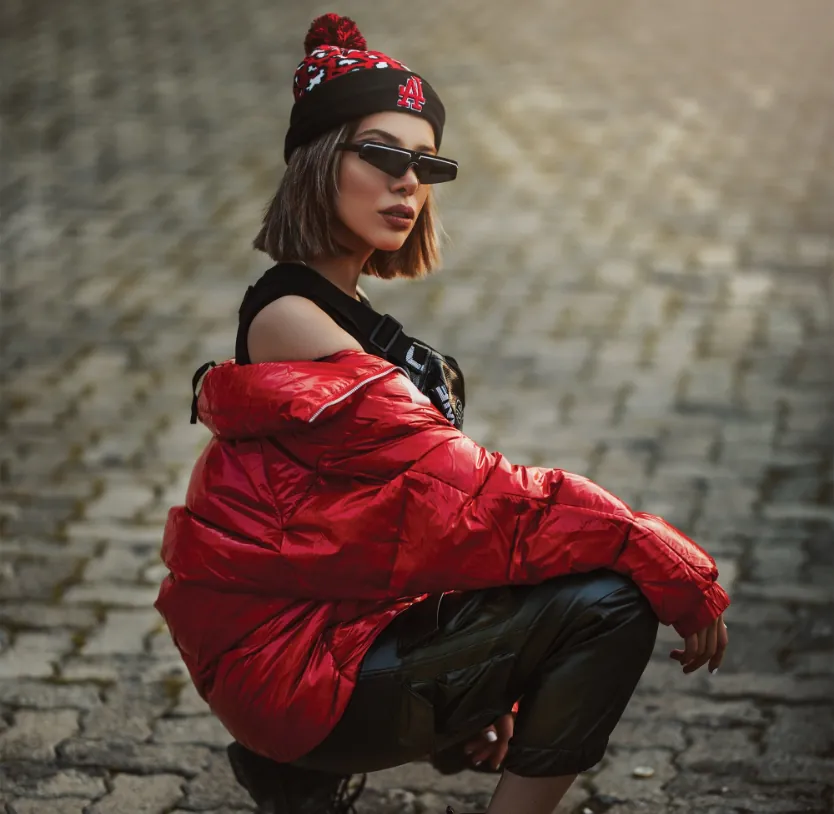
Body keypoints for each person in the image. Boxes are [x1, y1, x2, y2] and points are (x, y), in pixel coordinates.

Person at [154, 13, 730, 814]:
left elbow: (393, 524)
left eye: (426, 165)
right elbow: (471, 492)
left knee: (574, 581)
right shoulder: (292, 318)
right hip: (298, 667)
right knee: (612, 601)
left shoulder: (342, 308)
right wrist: (656, 552)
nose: (408, 184)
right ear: (318, 160)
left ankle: (297, 781)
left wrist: (499, 686)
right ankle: (303, 766)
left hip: (327, 635)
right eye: (383, 155)